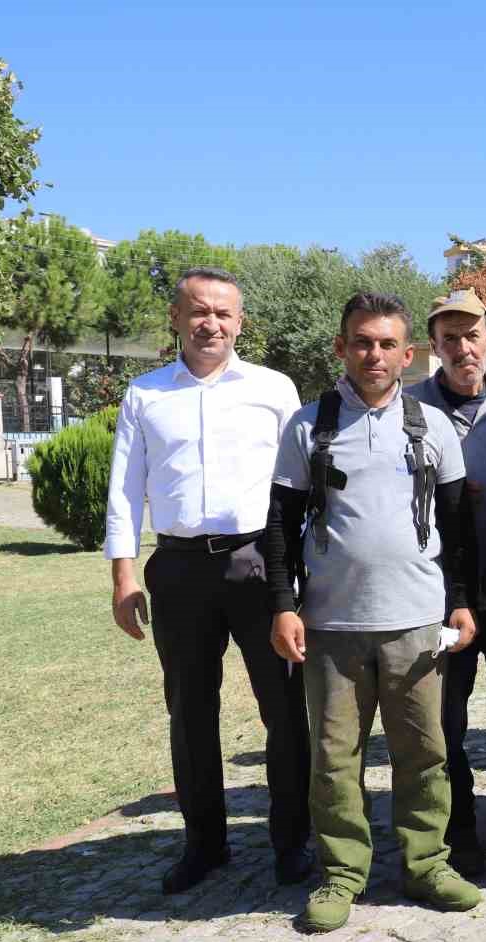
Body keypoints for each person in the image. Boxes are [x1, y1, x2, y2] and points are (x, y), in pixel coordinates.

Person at [265, 292, 481, 933]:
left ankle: (427, 864)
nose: (374, 354)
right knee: (335, 758)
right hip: (331, 625)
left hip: (416, 622)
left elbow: (457, 526)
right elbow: (278, 525)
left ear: (408, 355)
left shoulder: (432, 425)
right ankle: (342, 872)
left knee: (424, 751)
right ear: (341, 348)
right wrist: (283, 605)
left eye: (388, 344)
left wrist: (462, 604)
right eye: (362, 341)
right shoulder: (309, 425)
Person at [104, 266, 312, 896]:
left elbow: (298, 485)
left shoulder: (275, 389)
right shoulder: (144, 395)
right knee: (190, 711)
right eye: (198, 311)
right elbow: (124, 489)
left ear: (240, 322)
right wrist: (121, 575)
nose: (210, 324)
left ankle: (291, 841)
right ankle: (205, 844)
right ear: (176, 318)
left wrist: (300, 577)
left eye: (223, 313)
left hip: (259, 565)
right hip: (179, 570)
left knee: (283, 709)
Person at [404, 289, 486, 875]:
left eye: (471, 335)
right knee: (445, 722)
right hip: (440, 594)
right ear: (434, 346)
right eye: (449, 338)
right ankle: (460, 833)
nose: (462, 349)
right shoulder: (408, 410)